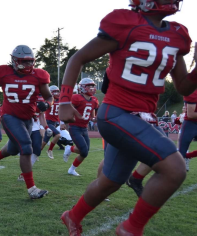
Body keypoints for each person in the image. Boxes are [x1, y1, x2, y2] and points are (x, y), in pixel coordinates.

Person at [58, 1, 196, 235]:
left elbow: (183, 86)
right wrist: (64, 101)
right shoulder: (125, 23)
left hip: (144, 117)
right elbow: (77, 58)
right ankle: (131, 229)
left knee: (111, 181)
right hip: (117, 113)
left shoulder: (177, 33)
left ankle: (73, 215)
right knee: (174, 169)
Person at [0, 45, 53, 199]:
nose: (27, 66)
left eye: (30, 62)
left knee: (13, 149)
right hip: (9, 116)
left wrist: (46, 105)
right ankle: (31, 188)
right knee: (26, 146)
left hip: (27, 118)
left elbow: (49, 97)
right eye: (23, 62)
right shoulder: (3, 73)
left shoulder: (39, 75)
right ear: (14, 61)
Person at [62, 78, 99, 176]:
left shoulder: (94, 100)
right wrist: (62, 122)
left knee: (85, 153)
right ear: (82, 87)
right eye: (89, 86)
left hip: (84, 128)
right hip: (75, 127)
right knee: (83, 150)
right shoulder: (76, 97)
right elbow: (66, 109)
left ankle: (71, 169)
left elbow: (92, 116)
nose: (92, 88)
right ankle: (69, 149)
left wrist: (95, 119)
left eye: (92, 86)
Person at [41, 85, 63, 159]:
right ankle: (50, 150)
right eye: (55, 92)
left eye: (57, 91)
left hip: (55, 122)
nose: (57, 93)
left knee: (44, 142)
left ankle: (35, 153)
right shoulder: (49, 100)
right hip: (48, 122)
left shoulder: (60, 100)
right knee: (58, 135)